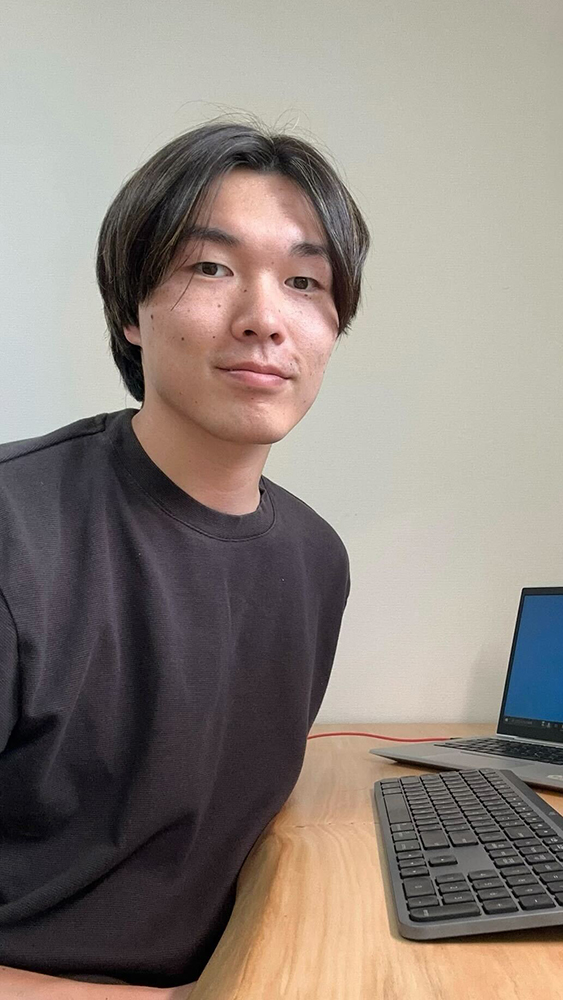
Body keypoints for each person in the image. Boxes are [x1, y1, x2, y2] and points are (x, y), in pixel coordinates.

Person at [0, 115, 370, 997]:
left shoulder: (316, 561)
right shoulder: (17, 533)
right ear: (132, 310)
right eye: (211, 267)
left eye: (305, 281)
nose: (264, 320)